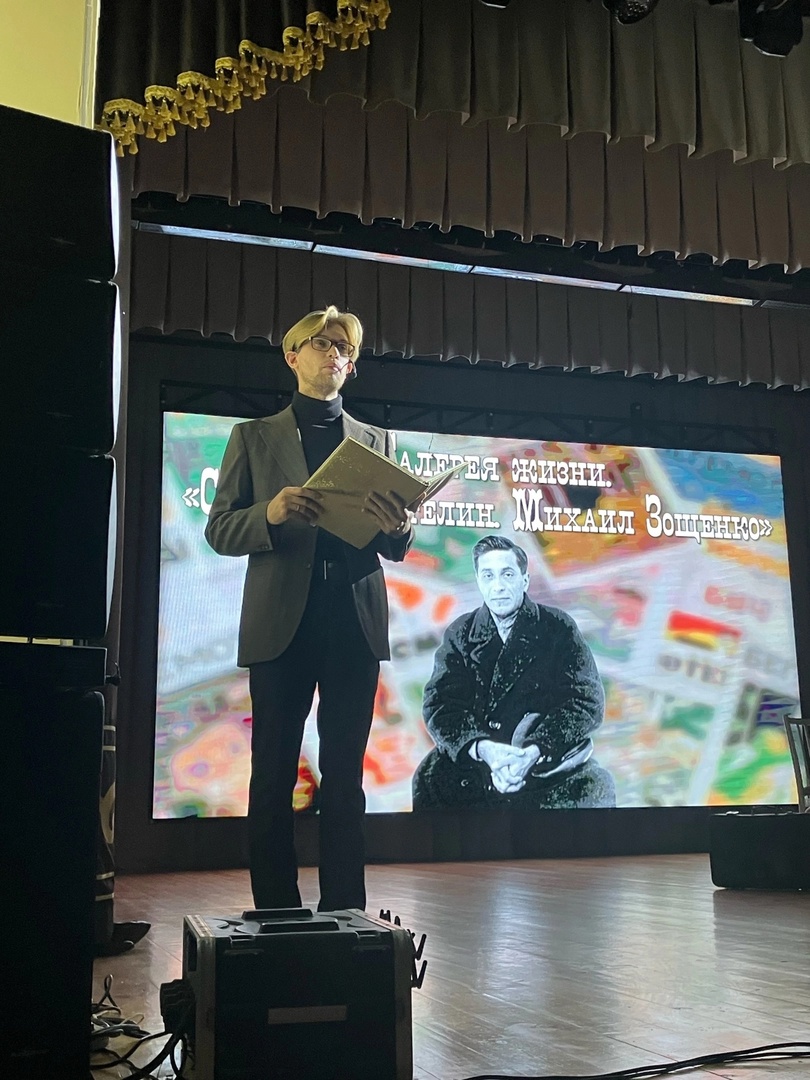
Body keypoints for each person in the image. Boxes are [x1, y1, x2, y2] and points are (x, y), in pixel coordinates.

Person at [205, 305, 413, 912]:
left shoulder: (377, 442)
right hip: (281, 624)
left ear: (351, 367)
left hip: (353, 620)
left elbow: (396, 543)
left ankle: (346, 910)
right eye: (321, 343)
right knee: (274, 774)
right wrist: (268, 514)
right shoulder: (253, 437)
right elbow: (219, 529)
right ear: (292, 356)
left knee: (345, 777)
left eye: (343, 348)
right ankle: (276, 909)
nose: (333, 354)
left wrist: (399, 527)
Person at [412, 535, 615, 810]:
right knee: (430, 782)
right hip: (476, 765)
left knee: (594, 793)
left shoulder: (558, 627)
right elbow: (440, 706)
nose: (498, 586)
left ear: (525, 580)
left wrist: (534, 751)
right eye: (488, 576)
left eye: (507, 574)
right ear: (479, 581)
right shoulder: (460, 633)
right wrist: (484, 749)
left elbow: (586, 702)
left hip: (547, 765)